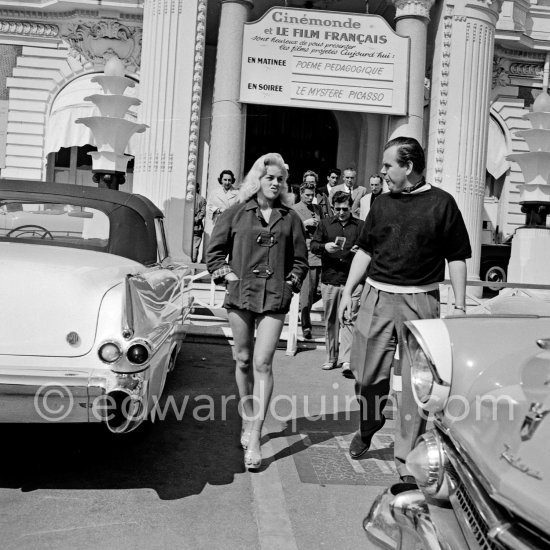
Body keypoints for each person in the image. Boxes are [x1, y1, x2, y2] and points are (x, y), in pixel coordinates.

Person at [338, 137, 471, 480]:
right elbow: (365, 250)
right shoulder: (380, 204)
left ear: (408, 167)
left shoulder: (443, 204)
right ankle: (369, 425)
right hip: (377, 297)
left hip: (420, 302)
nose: (381, 171)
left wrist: (458, 305)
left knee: (417, 386)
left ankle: (406, 461)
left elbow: (456, 257)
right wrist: (349, 289)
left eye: (387, 165)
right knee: (366, 375)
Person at [206, 153, 308, 470]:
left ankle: (255, 434)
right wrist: (228, 276)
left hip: (275, 298)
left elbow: (300, 261)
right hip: (241, 295)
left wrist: (289, 285)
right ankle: (247, 417)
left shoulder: (290, 218)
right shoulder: (236, 213)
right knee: (243, 359)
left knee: (263, 362)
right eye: (270, 178)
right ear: (257, 180)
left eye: (280, 179)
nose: (275, 183)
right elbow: (215, 253)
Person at [311, 190, 363, 375]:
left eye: (345, 209)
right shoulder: (325, 225)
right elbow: (314, 245)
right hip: (330, 279)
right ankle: (331, 357)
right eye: (338, 209)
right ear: (333, 207)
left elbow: (369, 247)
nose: (341, 212)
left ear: (351, 207)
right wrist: (325, 247)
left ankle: (347, 360)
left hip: (352, 280)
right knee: (331, 320)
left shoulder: (360, 225)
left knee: (349, 320)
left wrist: (360, 250)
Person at [292, 179, 323, 339]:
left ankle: (299, 310)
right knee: (307, 292)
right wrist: (305, 223)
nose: (310, 198)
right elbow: (290, 231)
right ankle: (306, 326)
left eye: (312, 195)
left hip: (320, 254)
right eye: (307, 195)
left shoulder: (318, 208)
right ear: (301, 194)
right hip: (306, 254)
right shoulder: (294, 209)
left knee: (318, 291)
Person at [192, 184, 207, 262]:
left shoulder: (188, 198)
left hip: (187, 226)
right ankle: (193, 262)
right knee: (195, 246)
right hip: (197, 227)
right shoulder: (202, 199)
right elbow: (202, 213)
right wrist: (196, 219)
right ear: (198, 188)